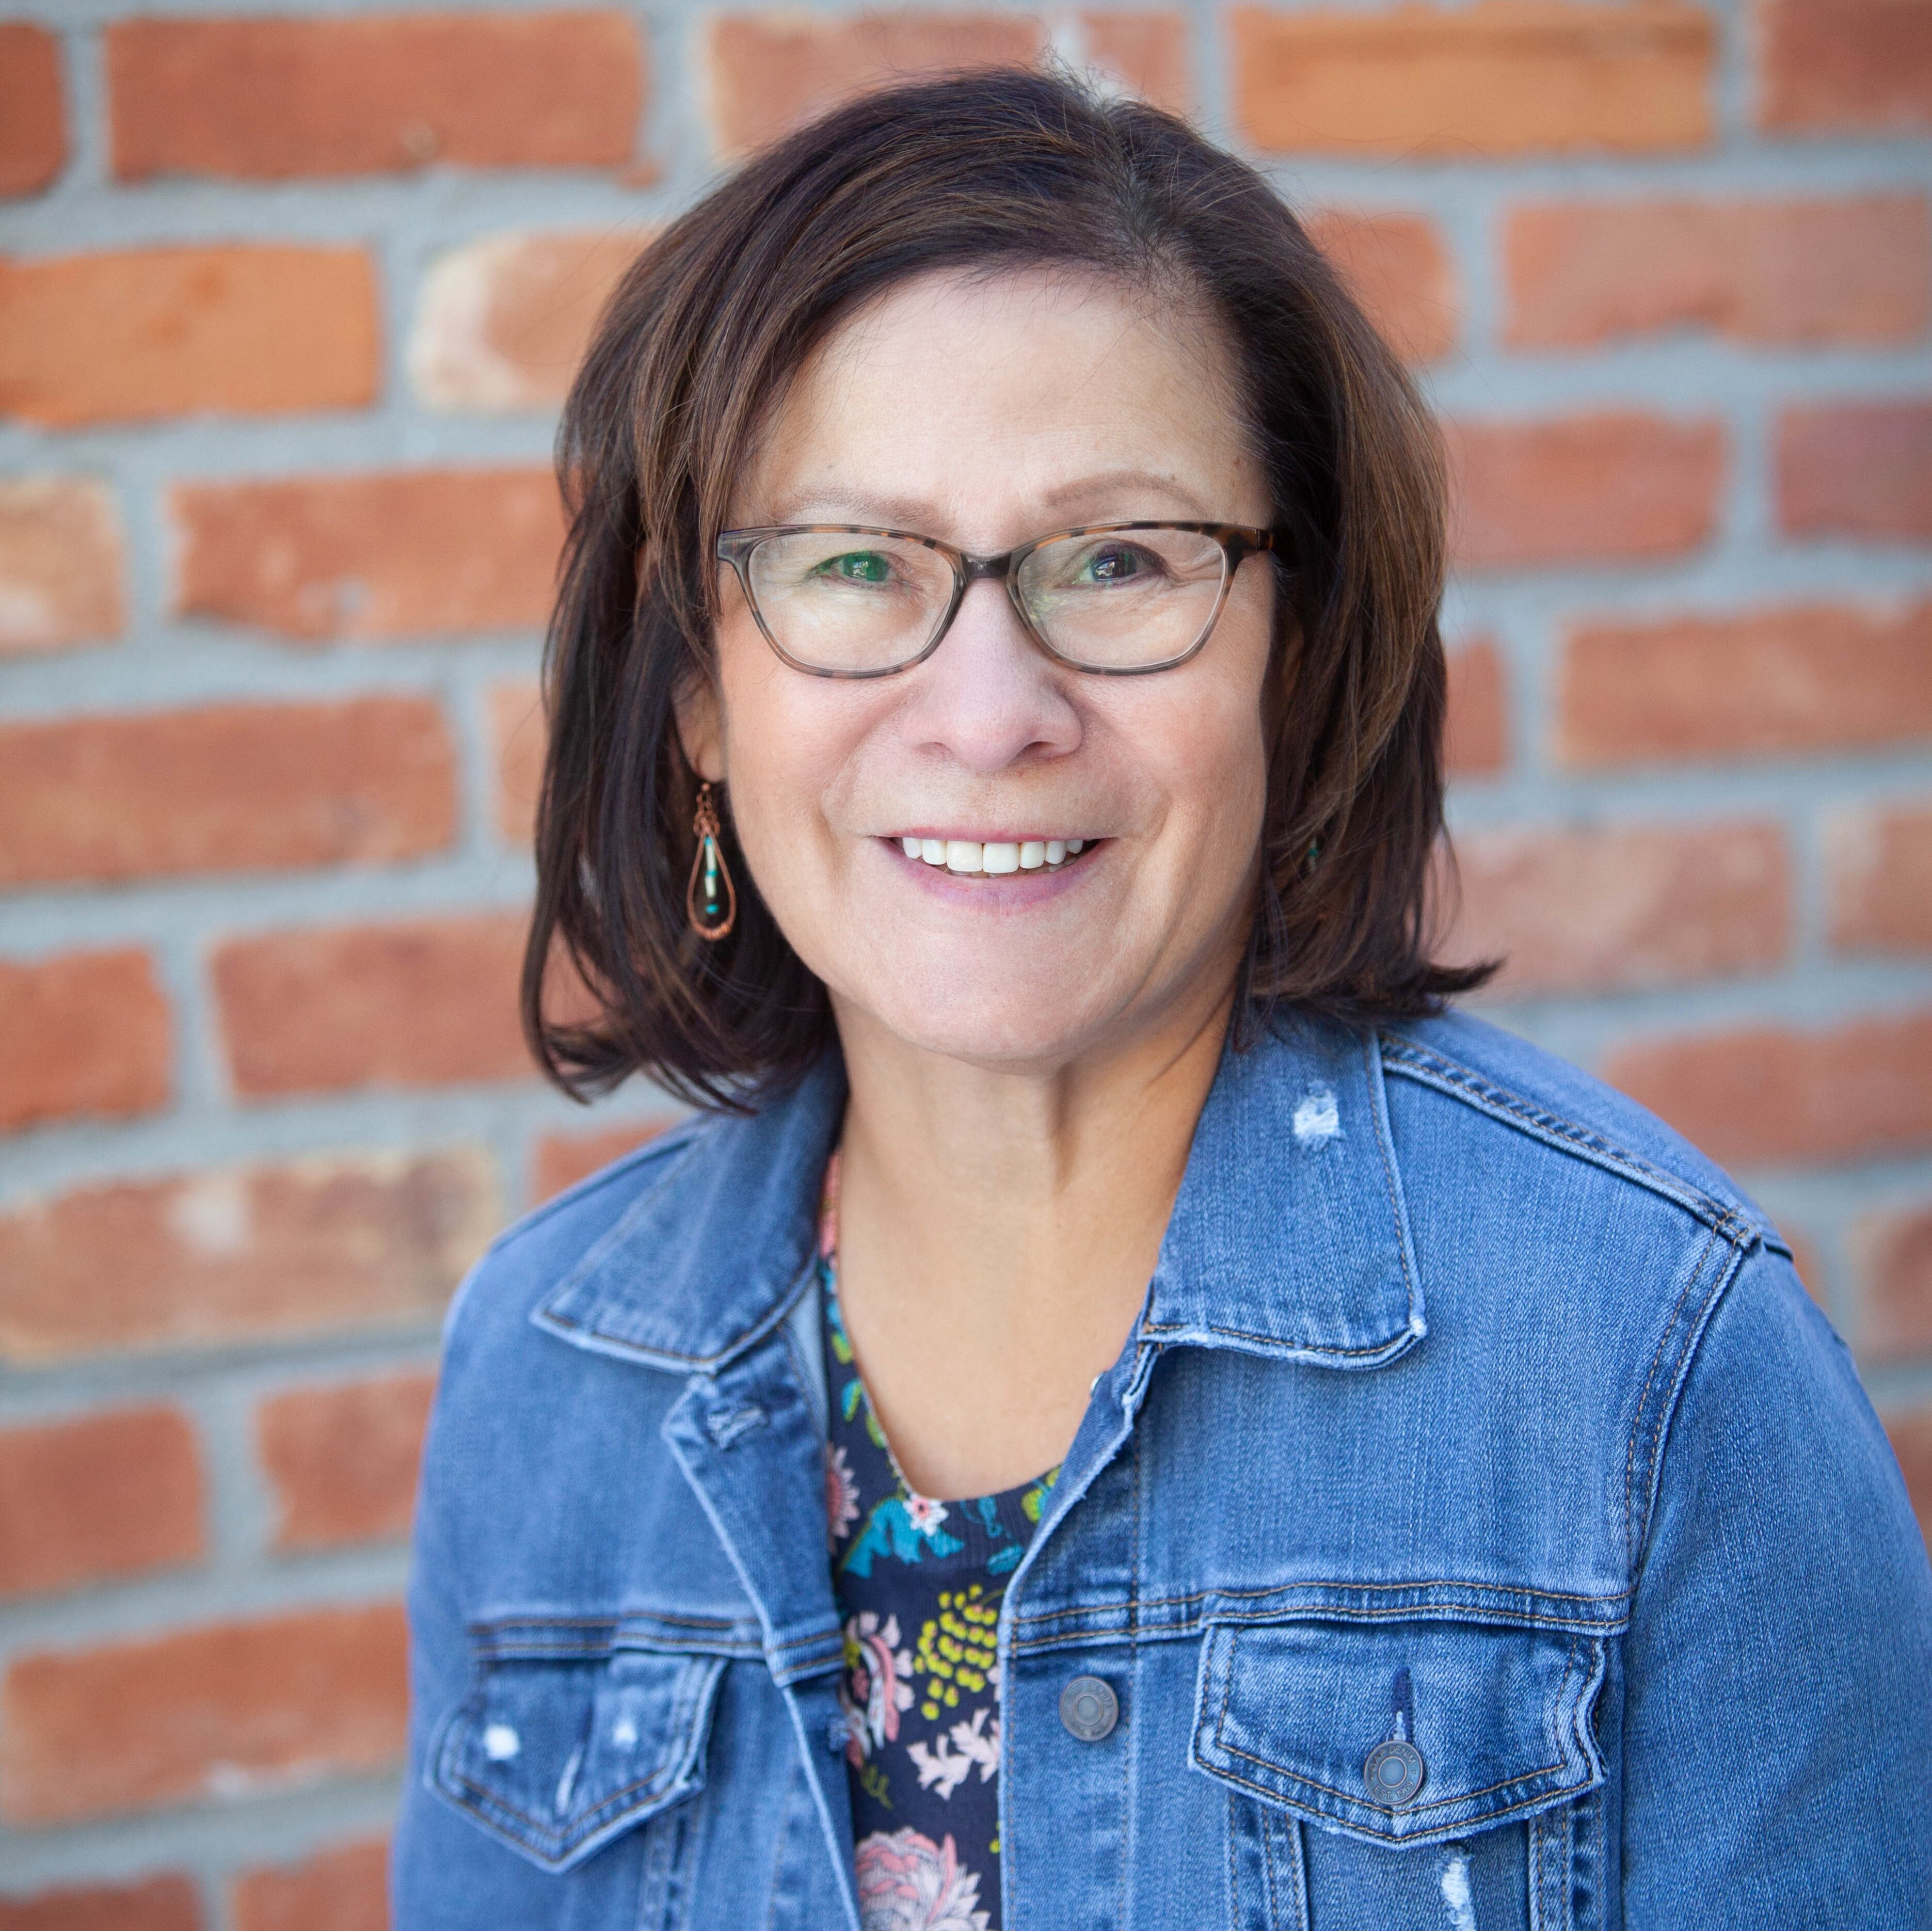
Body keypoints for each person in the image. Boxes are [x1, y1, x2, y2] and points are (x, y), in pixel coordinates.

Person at [392, 69, 1931, 1930]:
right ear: (702, 692)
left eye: (1117, 560)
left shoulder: (1650, 1368)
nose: (990, 715)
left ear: (1298, 653)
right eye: (856, 562)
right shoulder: (547, 1380)